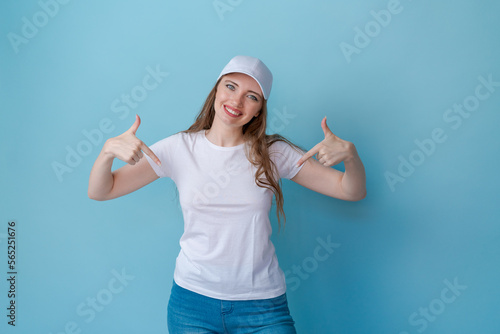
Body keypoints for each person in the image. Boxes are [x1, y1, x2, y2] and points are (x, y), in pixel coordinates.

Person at [88, 55, 366, 333]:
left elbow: (350, 190)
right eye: (231, 87)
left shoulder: (274, 153)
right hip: (191, 305)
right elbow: (102, 190)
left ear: (259, 110)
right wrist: (106, 152)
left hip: (262, 307)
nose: (237, 101)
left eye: (252, 96)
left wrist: (351, 157)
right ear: (216, 90)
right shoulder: (179, 148)